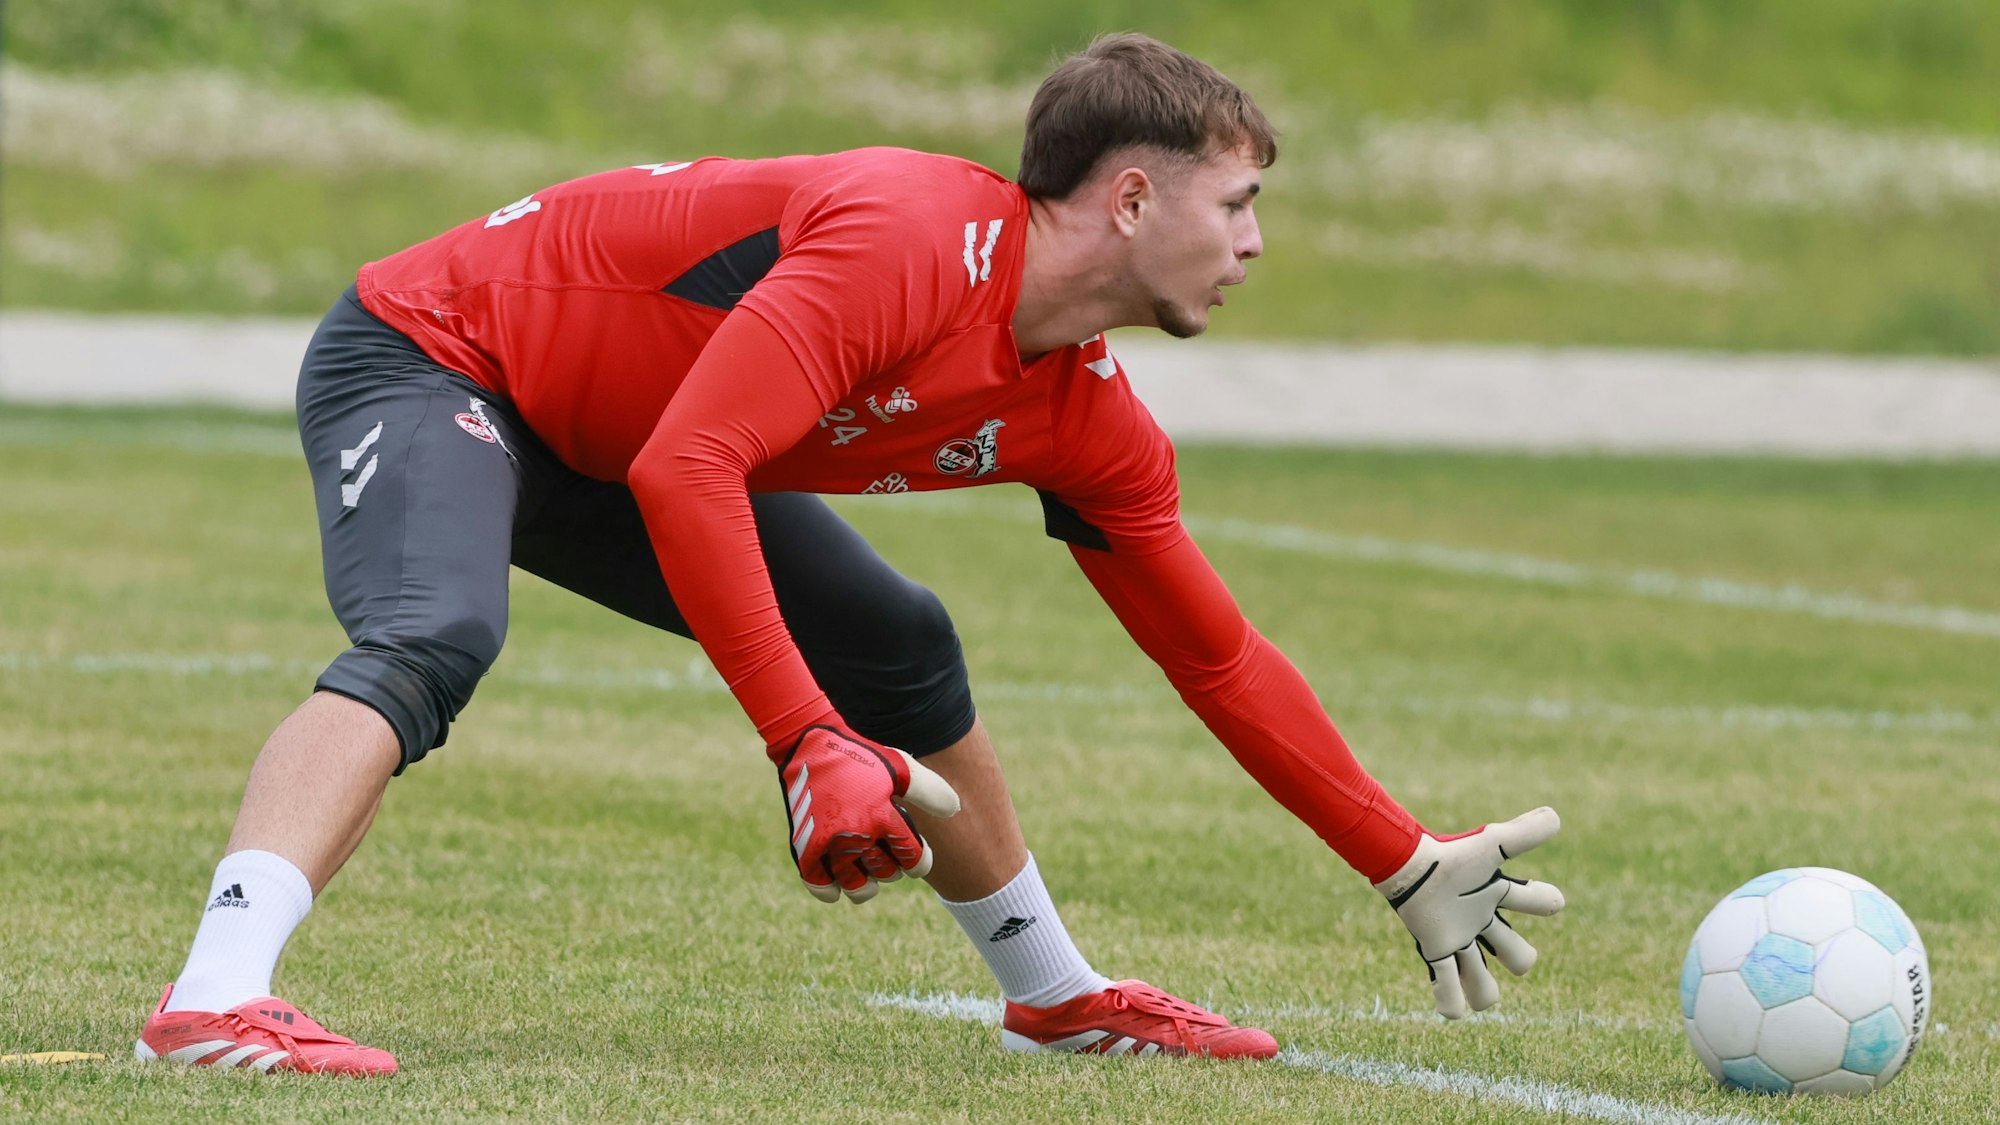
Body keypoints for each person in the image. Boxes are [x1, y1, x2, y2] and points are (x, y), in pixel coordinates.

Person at [137, 33, 1564, 1076]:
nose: (1254, 243)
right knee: (435, 633)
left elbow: (1219, 655)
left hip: (625, 428)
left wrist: (1402, 859)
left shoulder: (1085, 415)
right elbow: (692, 468)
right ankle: (212, 995)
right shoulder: (907, 239)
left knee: (901, 639)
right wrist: (805, 737)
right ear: (1130, 199)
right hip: (440, 353)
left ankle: (1054, 990)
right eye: (1237, 203)